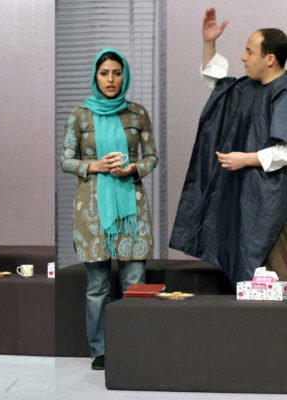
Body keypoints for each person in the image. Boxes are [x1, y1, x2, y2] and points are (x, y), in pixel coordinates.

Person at [170, 8, 287, 284]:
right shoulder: (247, 89)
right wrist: (209, 43)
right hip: (248, 199)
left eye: (249, 51)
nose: (243, 57)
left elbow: (284, 151)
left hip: (274, 204)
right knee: (254, 281)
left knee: (277, 273)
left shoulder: (283, 93)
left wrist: (245, 159)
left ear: (270, 59)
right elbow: (218, 84)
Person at [61, 48, 158, 370]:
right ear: (95, 76)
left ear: (124, 76)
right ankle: (100, 350)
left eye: (117, 73)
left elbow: (152, 157)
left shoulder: (137, 113)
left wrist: (133, 168)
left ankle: (135, 346)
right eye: (104, 73)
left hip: (131, 206)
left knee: (135, 281)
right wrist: (95, 165)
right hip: (92, 208)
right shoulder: (80, 114)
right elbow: (66, 159)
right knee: (97, 286)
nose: (111, 79)